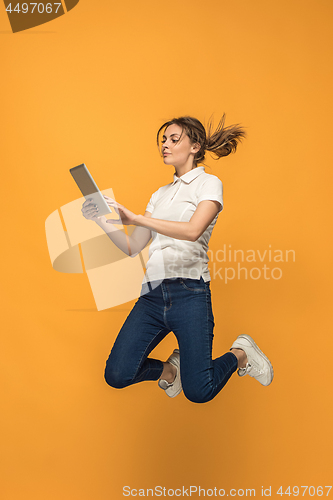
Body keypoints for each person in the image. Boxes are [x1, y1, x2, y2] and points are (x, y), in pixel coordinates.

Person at [81, 115, 274, 403]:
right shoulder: (159, 195)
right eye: (163, 140)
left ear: (195, 147)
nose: (165, 145)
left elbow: (194, 230)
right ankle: (171, 370)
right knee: (117, 374)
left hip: (190, 294)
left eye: (174, 139)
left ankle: (240, 353)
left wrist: (136, 217)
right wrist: (100, 220)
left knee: (199, 391)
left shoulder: (208, 183)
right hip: (152, 295)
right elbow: (133, 245)